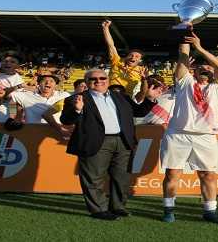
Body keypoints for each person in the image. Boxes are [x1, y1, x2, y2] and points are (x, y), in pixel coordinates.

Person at [60, 69, 160, 220]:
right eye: (93, 79)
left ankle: (118, 206)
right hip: (95, 142)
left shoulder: (120, 96)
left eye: (102, 78)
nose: (98, 81)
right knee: (94, 178)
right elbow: (66, 120)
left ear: (108, 80)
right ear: (87, 82)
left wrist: (149, 99)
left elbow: (138, 112)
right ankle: (98, 210)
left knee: (122, 177)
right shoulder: (76, 99)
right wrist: (77, 110)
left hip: (123, 141)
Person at [160, 34, 218, 224]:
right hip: (178, 134)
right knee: (172, 173)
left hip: (205, 136)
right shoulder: (185, 83)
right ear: (194, 71)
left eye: (209, 68)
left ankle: (210, 211)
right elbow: (183, 54)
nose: (206, 69)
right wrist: (185, 28)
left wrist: (200, 48)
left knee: (208, 175)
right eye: (202, 67)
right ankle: (169, 208)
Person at [102, 20, 147, 96]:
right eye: (131, 55)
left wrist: (144, 79)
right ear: (126, 56)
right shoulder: (117, 61)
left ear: (140, 60)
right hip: (109, 95)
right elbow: (111, 45)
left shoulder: (141, 70)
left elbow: (145, 89)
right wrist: (105, 28)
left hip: (126, 99)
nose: (133, 57)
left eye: (137, 56)